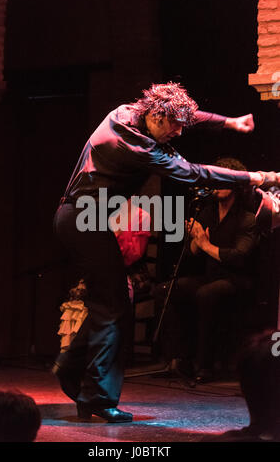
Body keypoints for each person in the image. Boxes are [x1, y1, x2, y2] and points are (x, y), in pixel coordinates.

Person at [52, 82, 279, 423]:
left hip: (86, 218)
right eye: (173, 125)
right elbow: (196, 173)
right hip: (83, 220)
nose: (178, 132)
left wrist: (228, 122)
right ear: (156, 116)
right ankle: (94, 395)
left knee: (113, 300)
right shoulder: (136, 145)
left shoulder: (128, 113)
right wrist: (256, 177)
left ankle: (73, 370)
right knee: (114, 304)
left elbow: (187, 114)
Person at [157, 157, 260, 383]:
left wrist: (205, 245)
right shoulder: (208, 212)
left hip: (237, 280)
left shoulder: (246, 218)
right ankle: (178, 358)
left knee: (207, 294)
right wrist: (195, 238)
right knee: (171, 288)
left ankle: (204, 365)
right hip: (211, 276)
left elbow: (238, 257)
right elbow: (193, 252)